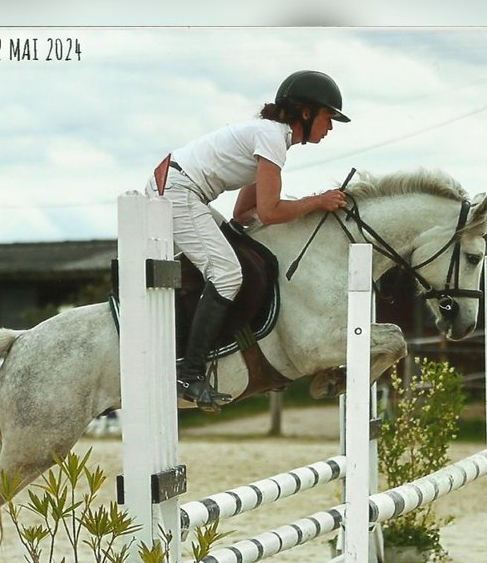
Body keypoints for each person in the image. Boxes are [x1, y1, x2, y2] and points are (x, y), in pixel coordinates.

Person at [148, 70, 351, 411]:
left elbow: (245, 212)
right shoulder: (272, 138)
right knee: (228, 275)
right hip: (178, 192)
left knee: (234, 249)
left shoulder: (271, 138)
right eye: (329, 118)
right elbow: (270, 213)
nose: (330, 127)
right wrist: (318, 202)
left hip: (182, 190)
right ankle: (190, 372)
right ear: (306, 112)